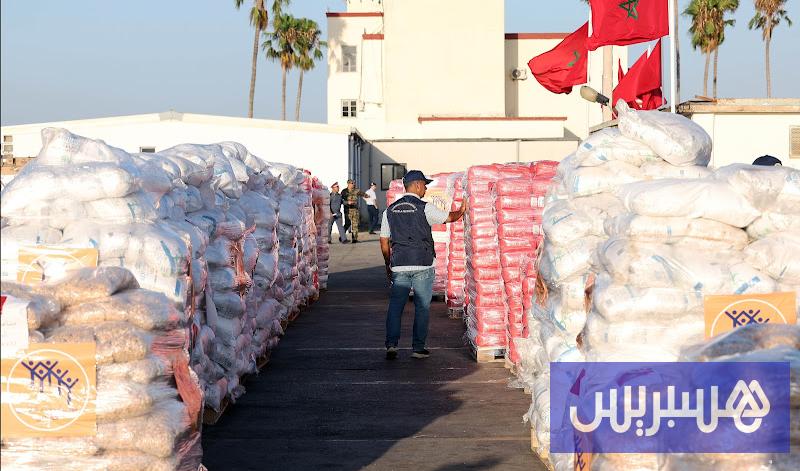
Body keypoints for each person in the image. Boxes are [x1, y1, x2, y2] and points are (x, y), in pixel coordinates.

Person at [380, 170, 467, 360]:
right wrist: (462, 210)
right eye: (424, 186)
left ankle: (391, 345)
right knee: (422, 307)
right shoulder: (424, 207)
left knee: (396, 307)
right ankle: (418, 349)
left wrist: (388, 264)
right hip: (423, 264)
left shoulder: (390, 211)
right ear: (417, 185)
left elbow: (384, 240)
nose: (426, 189)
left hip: (399, 264)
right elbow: (449, 217)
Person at [340, 179, 366, 243]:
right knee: (347, 224)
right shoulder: (344, 191)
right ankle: (342, 236)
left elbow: (364, 194)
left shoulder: (356, 190)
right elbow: (341, 200)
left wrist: (367, 196)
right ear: (348, 184)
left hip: (355, 210)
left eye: (354, 183)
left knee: (355, 225)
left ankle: (354, 239)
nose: (353, 184)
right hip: (348, 210)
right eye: (352, 183)